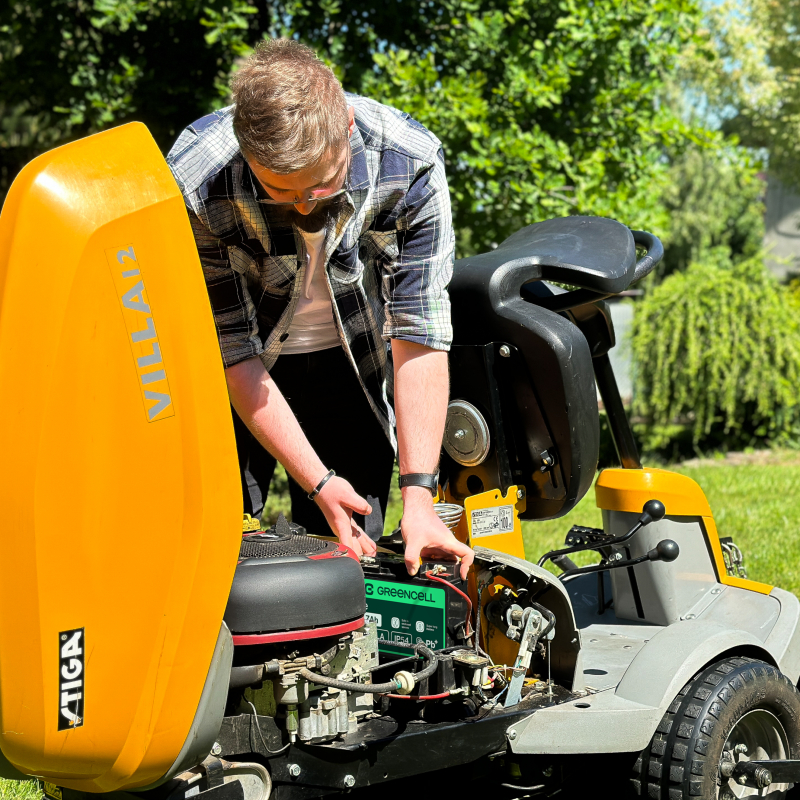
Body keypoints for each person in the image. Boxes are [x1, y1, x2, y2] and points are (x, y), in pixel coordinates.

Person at [167, 38, 473, 579]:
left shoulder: (411, 162)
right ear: (246, 154)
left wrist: (420, 496)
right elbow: (233, 349)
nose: (305, 204)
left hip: (350, 367)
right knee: (215, 555)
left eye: (321, 184)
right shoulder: (195, 181)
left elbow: (419, 332)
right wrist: (318, 481)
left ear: (346, 126)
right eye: (280, 191)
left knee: (351, 560)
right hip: (233, 379)